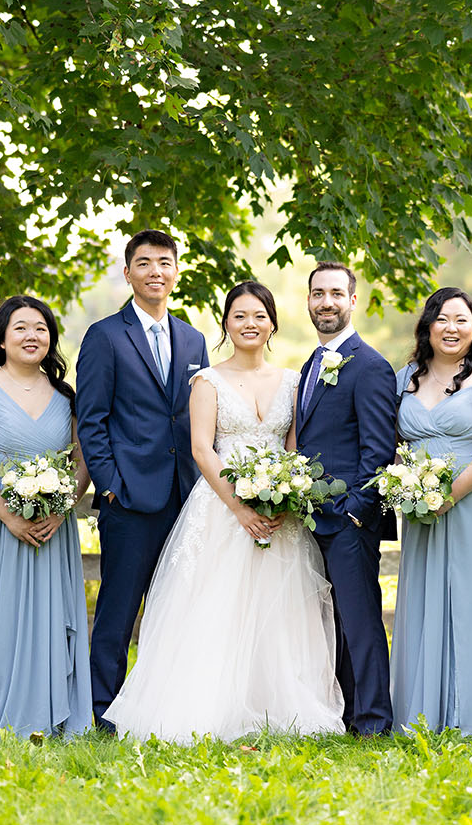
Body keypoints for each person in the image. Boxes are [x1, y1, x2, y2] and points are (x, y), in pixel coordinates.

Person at [106, 281, 345, 739]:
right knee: (217, 606)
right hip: (221, 508)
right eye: (239, 316)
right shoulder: (207, 381)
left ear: (272, 322)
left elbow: (295, 447)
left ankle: (278, 706)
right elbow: (201, 449)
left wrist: (287, 495)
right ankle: (211, 707)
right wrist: (240, 508)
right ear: (226, 324)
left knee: (280, 610)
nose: (249, 324)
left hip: (280, 512)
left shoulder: (293, 382)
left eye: (259, 316)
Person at [75, 230, 209, 731]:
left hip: (184, 494)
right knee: (117, 610)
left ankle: (159, 709)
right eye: (145, 262)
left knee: (175, 609)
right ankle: (102, 712)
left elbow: (199, 414)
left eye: (165, 262)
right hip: (128, 497)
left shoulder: (193, 339)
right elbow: (91, 419)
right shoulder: (105, 336)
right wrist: (110, 484)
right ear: (128, 272)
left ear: (176, 272)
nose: (156, 271)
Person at [0, 296, 94, 738]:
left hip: (53, 527)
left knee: (51, 620)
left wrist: (63, 507)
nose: (32, 336)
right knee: (2, 618)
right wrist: (10, 518)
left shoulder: (66, 397)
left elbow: (82, 460)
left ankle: (52, 715)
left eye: (41, 328)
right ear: (2, 338)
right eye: (21, 328)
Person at [390, 287, 472, 736]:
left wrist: (451, 495)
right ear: (427, 326)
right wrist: (410, 487)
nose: (452, 328)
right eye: (443, 319)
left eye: (462, 320)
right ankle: (424, 711)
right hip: (421, 506)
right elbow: (395, 444)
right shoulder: (404, 376)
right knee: (424, 601)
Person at [292, 261, 398, 736]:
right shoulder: (310, 364)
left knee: (360, 623)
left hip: (349, 521)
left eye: (336, 293)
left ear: (353, 300)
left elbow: (379, 450)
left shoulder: (371, 366)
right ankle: (346, 714)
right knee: (328, 626)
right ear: (309, 301)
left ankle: (374, 722)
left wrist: (354, 512)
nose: (326, 302)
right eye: (318, 294)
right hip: (310, 520)